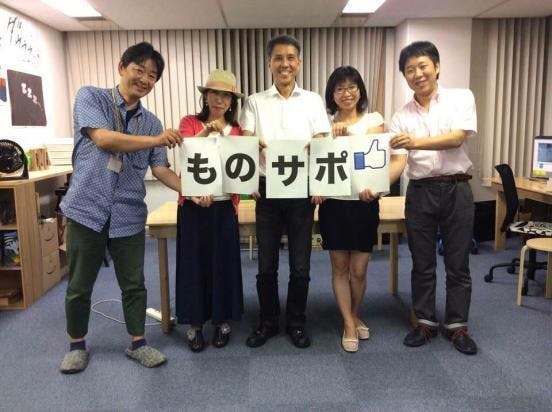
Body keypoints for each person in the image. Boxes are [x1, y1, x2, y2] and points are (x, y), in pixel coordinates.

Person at [59, 42, 182, 373]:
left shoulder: (151, 122)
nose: (144, 79)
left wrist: (194, 190)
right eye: (139, 69)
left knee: (134, 284)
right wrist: (157, 139)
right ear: (121, 67)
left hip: (128, 213)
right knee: (79, 285)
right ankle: (76, 345)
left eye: (152, 75)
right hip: (86, 208)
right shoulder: (91, 97)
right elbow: (104, 139)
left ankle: (138, 343)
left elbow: (160, 169)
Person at [240, 35, 331, 348]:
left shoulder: (313, 101)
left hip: (302, 189)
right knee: (266, 265)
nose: (285, 64)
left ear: (299, 63)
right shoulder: (255, 101)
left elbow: (322, 142)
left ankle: (296, 322)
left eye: (291, 57)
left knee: (300, 266)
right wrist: (250, 173)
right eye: (278, 58)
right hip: (267, 189)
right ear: (269, 63)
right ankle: (267, 322)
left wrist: (320, 184)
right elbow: (245, 141)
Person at [389, 41, 478, 355]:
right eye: (410, 69)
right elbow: (399, 160)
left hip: (458, 188)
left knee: (458, 263)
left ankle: (457, 326)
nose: (417, 74)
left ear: (437, 67)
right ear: (405, 76)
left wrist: (415, 142)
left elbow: (456, 138)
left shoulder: (461, 98)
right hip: (420, 191)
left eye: (423, 66)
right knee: (422, 262)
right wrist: (377, 185)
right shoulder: (400, 116)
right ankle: (425, 322)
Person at [314, 66, 406, 352]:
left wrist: (376, 186)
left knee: (360, 269)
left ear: (360, 91)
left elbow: (372, 149)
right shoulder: (322, 125)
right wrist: (317, 184)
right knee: (340, 267)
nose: (346, 93)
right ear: (332, 94)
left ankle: (353, 314)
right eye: (339, 88)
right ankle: (349, 323)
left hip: (364, 203)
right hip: (334, 205)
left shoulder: (374, 120)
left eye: (352, 87)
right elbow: (315, 159)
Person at [176, 69, 244, 353]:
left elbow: (242, 167)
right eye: (214, 93)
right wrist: (208, 131)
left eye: (226, 95)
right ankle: (194, 324)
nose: (219, 99)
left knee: (223, 264)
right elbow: (187, 151)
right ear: (205, 96)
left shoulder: (238, 130)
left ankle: (222, 321)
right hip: (193, 207)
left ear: (232, 101)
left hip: (224, 206)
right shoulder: (189, 122)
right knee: (193, 264)